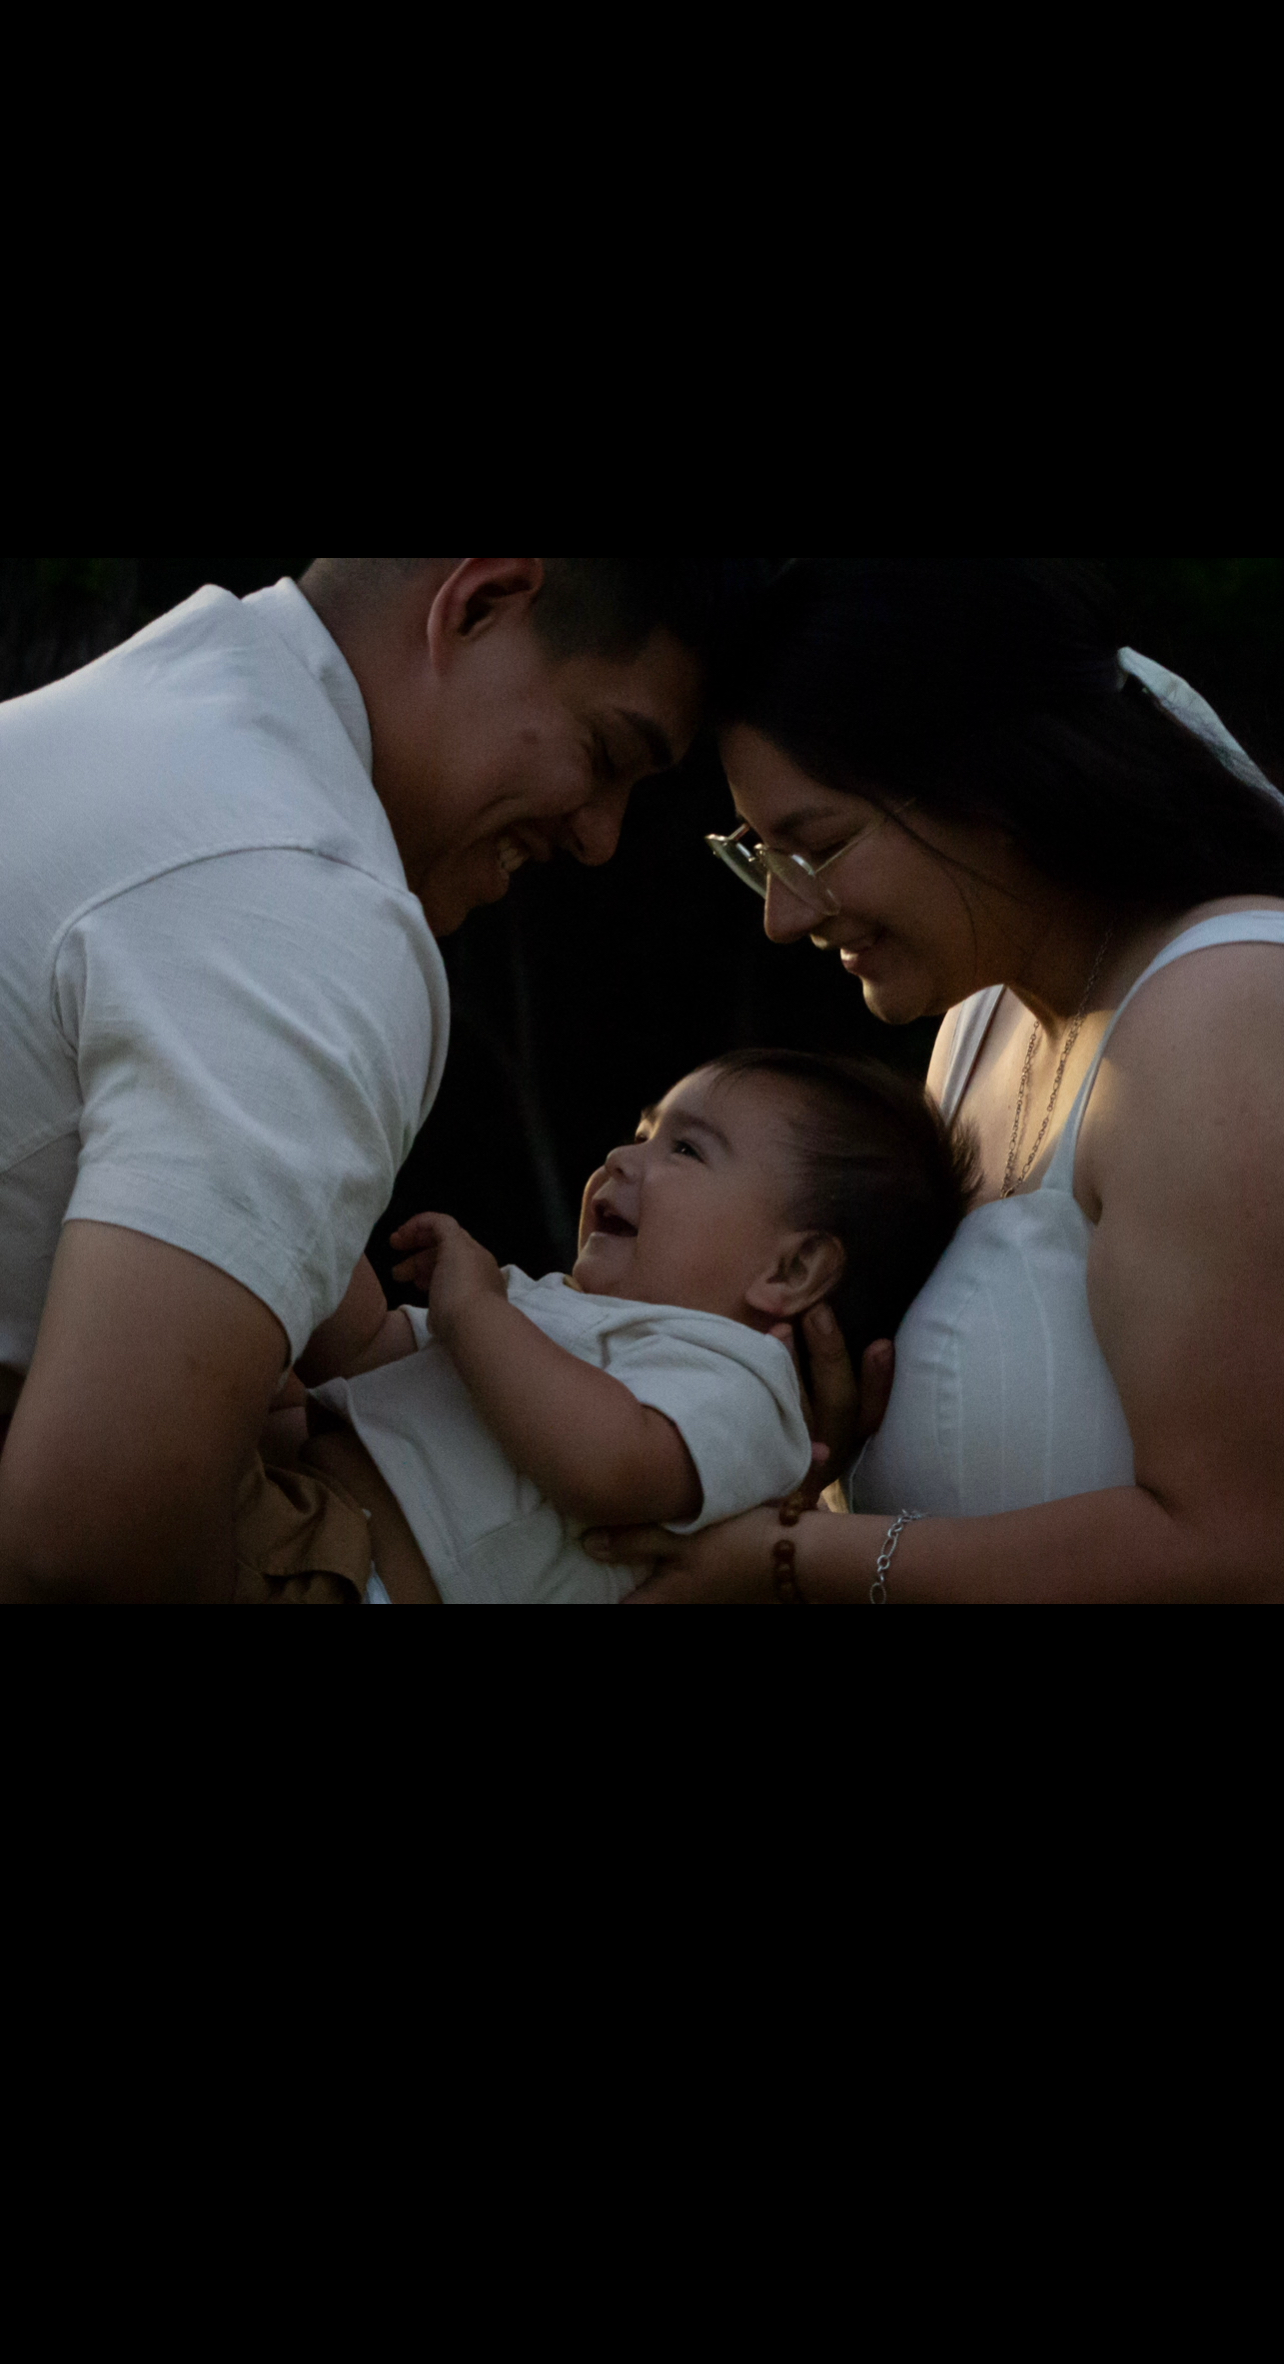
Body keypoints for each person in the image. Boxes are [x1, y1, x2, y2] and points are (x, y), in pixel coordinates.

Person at [0, 557, 725, 1602]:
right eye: (606, 752)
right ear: (478, 602)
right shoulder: (313, 900)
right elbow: (97, 1535)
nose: (600, 837)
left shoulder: (154, 707)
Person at [586, 558, 1284, 1602]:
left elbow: (1244, 1545)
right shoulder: (977, 1027)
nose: (784, 914)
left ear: (988, 780)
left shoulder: (1226, 1010)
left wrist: (790, 1557)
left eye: (813, 846)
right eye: (759, 855)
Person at [240, 1049, 969, 1603]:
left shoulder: (742, 1385)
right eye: (643, 1134)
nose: (622, 1157)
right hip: (301, 1507)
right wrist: (303, 1204)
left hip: (347, 1571)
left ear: (792, 1271)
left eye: (684, 1149)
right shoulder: (553, 1308)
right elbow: (369, 1352)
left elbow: (610, 1467)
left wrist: (474, 1314)